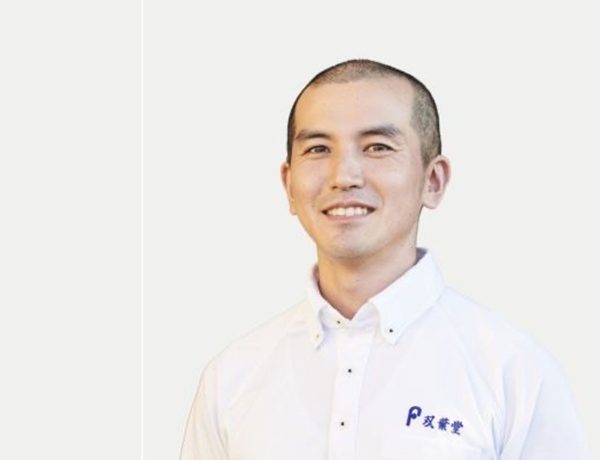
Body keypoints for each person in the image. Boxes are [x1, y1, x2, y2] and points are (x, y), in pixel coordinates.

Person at [180, 59, 591, 459]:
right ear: (289, 184)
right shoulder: (232, 378)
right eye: (318, 148)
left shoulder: (513, 372)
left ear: (433, 180)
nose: (344, 176)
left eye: (377, 147)